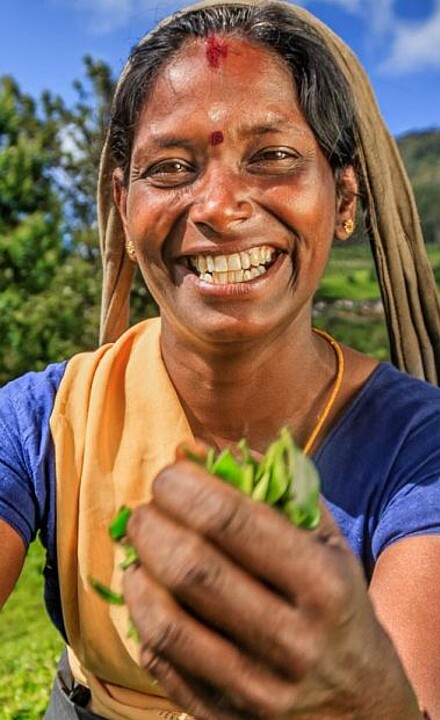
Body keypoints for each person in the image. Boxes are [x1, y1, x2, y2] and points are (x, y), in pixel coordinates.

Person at [1, 1, 440, 718]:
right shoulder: (46, 418)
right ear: (123, 201)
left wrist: (361, 699)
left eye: (271, 157)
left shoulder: (421, 449)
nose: (219, 205)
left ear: (346, 197)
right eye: (170, 167)